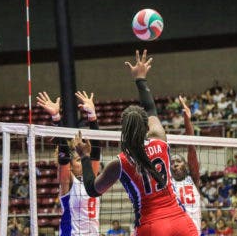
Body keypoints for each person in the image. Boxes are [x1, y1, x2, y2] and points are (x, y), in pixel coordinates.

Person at [76, 50, 198, 236]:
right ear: (145, 126)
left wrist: (85, 156)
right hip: (181, 220)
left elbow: (92, 189)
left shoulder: (120, 163)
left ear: (123, 132)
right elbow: (150, 108)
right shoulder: (159, 137)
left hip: (152, 226)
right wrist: (140, 78)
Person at [36, 91, 101, 236]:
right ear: (71, 166)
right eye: (79, 160)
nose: (86, 162)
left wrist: (92, 114)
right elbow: (64, 156)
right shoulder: (68, 182)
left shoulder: (92, 179)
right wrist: (56, 118)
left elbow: (96, 151)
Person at [170, 95, 201, 233]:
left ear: (186, 165)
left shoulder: (193, 179)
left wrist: (187, 119)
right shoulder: (168, 183)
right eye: (172, 162)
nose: (175, 164)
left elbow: (191, 147)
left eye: (178, 161)